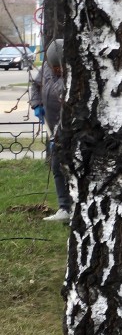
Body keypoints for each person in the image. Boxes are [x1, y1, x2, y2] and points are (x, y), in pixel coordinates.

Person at [30, 39, 67, 222]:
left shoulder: (74, 76)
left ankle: (74, 207)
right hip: (51, 125)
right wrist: (37, 103)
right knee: (57, 167)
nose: (56, 70)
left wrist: (58, 135)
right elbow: (35, 85)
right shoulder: (46, 68)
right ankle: (65, 208)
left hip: (67, 129)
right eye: (54, 67)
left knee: (67, 167)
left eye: (59, 67)